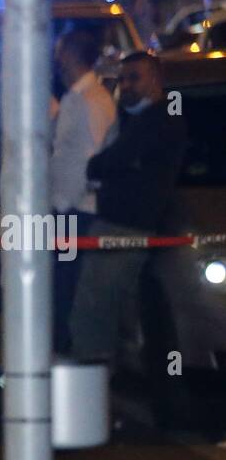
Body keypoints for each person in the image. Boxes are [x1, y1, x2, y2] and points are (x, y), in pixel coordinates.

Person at [70, 51, 187, 368]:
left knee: (94, 311)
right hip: (130, 224)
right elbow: (114, 162)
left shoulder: (159, 118)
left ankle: (93, 385)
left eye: (134, 77)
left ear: (155, 80)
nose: (126, 85)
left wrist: (105, 165)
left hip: (125, 226)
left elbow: (108, 162)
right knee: (117, 309)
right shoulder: (140, 118)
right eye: (122, 78)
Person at [49, 29, 116, 355]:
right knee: (61, 286)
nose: (55, 59)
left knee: (69, 289)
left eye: (59, 52)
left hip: (77, 212)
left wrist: (65, 204)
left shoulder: (91, 101)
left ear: (71, 55)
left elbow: (91, 161)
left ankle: (71, 360)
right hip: (67, 210)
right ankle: (62, 356)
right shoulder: (76, 98)